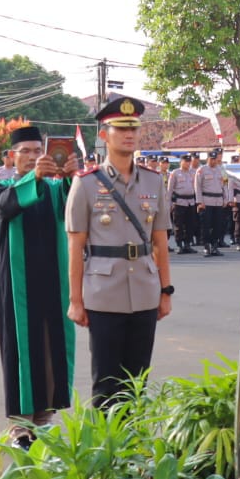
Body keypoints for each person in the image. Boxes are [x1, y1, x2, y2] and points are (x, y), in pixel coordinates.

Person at [66, 97, 175, 407]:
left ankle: (133, 451)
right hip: (103, 292)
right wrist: (76, 301)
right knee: (106, 383)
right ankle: (108, 452)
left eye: (134, 129)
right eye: (121, 129)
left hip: (144, 289)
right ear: (104, 135)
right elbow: (75, 247)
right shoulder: (85, 185)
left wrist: (165, 291)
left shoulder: (154, 181)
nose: (129, 135)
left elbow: (160, 242)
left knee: (138, 382)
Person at [0, 126, 79, 447]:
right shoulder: (0, 188)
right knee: (20, 350)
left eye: (36, 150)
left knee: (51, 347)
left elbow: (74, 208)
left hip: (54, 283)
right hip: (18, 288)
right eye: (24, 151)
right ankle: (19, 426)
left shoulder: (55, 190)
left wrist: (71, 177)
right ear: (11, 157)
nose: (31, 156)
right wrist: (35, 180)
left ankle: (44, 420)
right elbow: (6, 208)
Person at [195, 149, 228, 256]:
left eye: (215, 159)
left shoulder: (221, 170)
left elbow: (224, 185)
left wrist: (225, 199)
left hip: (218, 201)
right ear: (208, 159)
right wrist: (199, 202)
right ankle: (207, 246)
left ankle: (214, 245)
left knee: (218, 225)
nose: (214, 161)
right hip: (206, 201)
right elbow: (197, 187)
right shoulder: (202, 170)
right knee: (206, 225)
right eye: (212, 159)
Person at [167, 154, 197, 253]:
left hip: (191, 202)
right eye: (186, 161)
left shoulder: (193, 173)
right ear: (181, 162)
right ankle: (179, 244)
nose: (188, 163)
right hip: (179, 202)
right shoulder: (175, 173)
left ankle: (187, 244)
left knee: (190, 224)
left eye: (189, 162)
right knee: (178, 225)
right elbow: (170, 190)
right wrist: (169, 204)